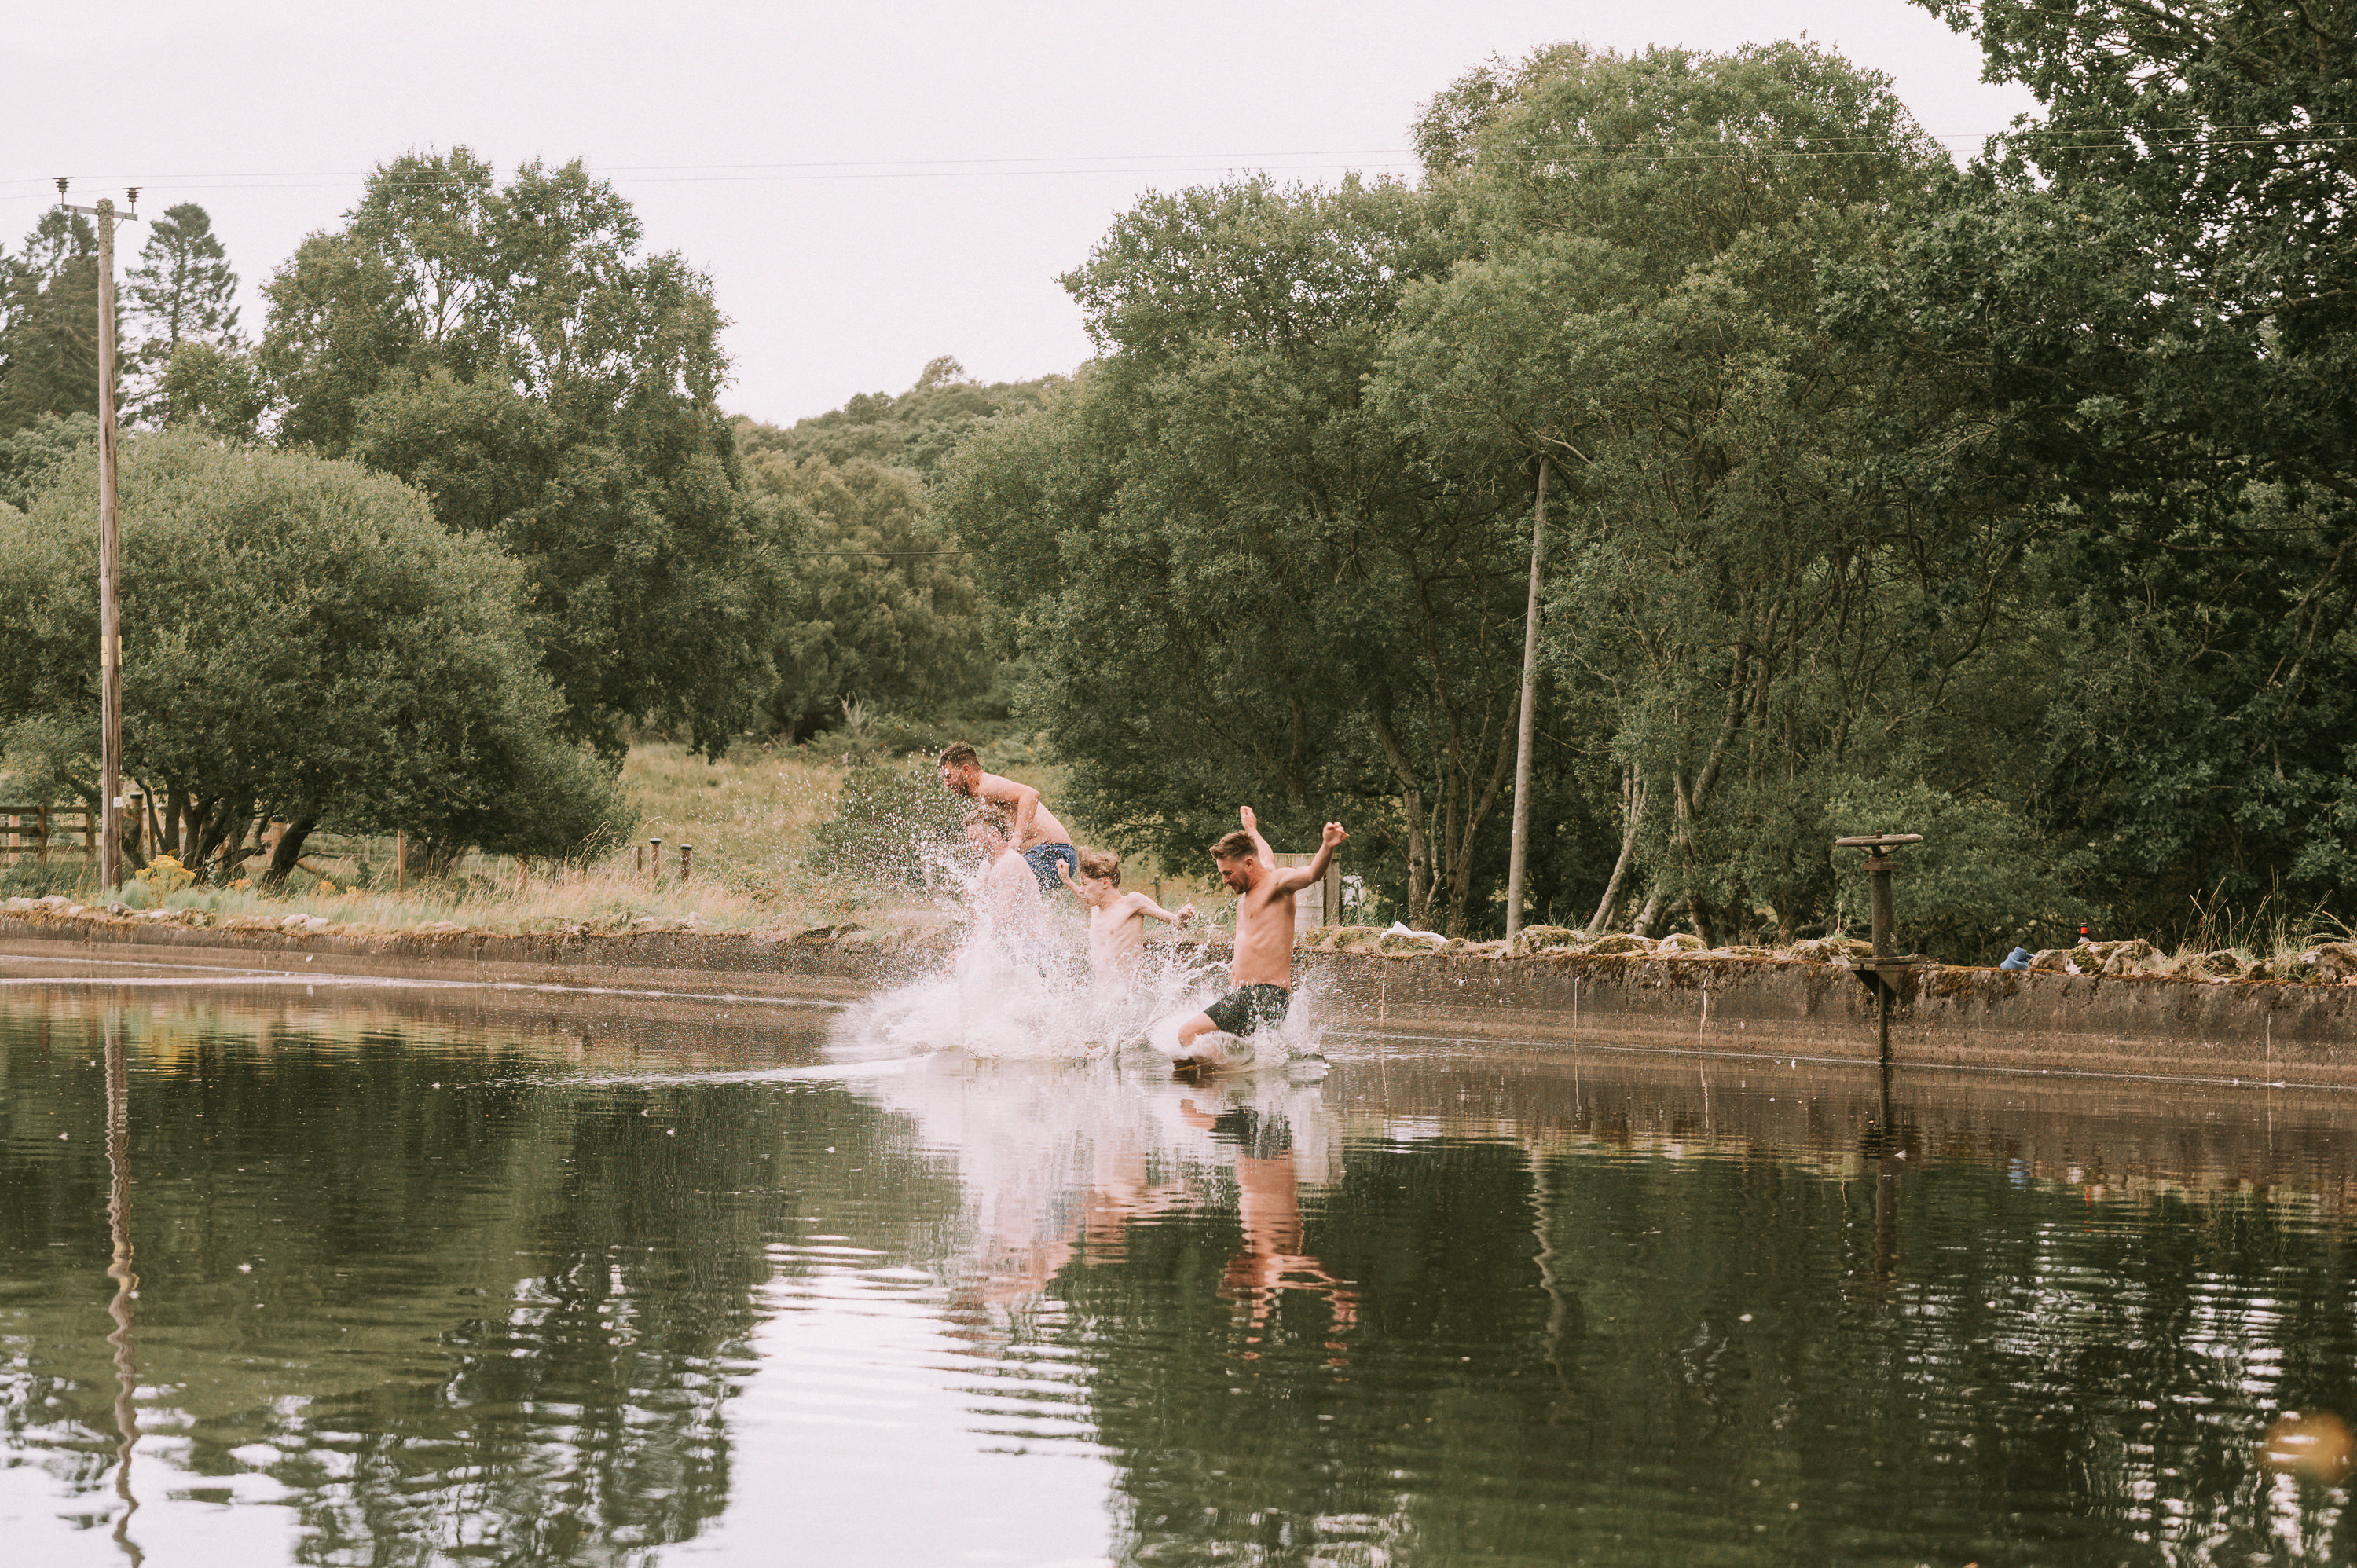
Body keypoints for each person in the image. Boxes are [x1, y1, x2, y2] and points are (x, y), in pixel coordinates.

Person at [1171, 813, 1347, 1071]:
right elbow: (1265, 853)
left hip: (1263, 994)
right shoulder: (1252, 885)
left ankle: (1221, 1079)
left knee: (1188, 1034)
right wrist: (1252, 828)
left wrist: (1327, 846)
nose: (1225, 880)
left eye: (1228, 873)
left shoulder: (1276, 884)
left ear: (1249, 864)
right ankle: (1233, 1087)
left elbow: (1311, 874)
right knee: (1213, 1053)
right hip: (1248, 997)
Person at [939, 741, 1076, 893]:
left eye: (948, 776)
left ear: (966, 770)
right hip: (1047, 853)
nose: (946, 784)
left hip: (1054, 853)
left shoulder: (987, 786)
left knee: (1002, 883)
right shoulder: (983, 794)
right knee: (992, 887)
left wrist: (1017, 838)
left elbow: (1030, 794)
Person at [1059, 848, 1194, 989]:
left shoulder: (1132, 902)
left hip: (1128, 993)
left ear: (1105, 883)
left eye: (1085, 884)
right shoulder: (1095, 908)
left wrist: (1183, 916)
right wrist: (1067, 880)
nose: (1081, 890)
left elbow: (1177, 923)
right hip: (1102, 992)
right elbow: (1082, 895)